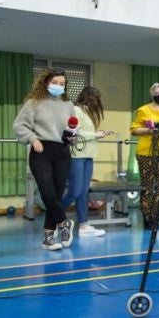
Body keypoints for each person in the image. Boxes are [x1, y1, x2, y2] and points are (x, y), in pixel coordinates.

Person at [14, 68, 76, 251]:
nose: (58, 86)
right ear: (46, 82)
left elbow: (73, 128)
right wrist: (33, 139)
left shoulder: (68, 105)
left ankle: (48, 238)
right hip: (41, 151)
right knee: (46, 191)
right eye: (55, 82)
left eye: (62, 84)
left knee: (55, 196)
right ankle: (64, 223)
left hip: (63, 152)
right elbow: (19, 125)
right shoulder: (33, 103)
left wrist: (72, 136)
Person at [60, 86, 109, 238]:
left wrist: (99, 134)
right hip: (77, 156)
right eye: (96, 98)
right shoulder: (76, 110)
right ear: (89, 97)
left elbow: (86, 133)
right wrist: (95, 134)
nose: (98, 102)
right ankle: (53, 214)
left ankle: (83, 225)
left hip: (88, 156)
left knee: (83, 192)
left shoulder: (88, 112)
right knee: (75, 191)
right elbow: (75, 132)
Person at [130, 83, 159, 229]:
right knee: (148, 186)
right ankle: (147, 215)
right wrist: (148, 131)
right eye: (157, 92)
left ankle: (156, 214)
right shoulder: (143, 110)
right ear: (152, 94)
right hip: (146, 152)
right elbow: (134, 129)